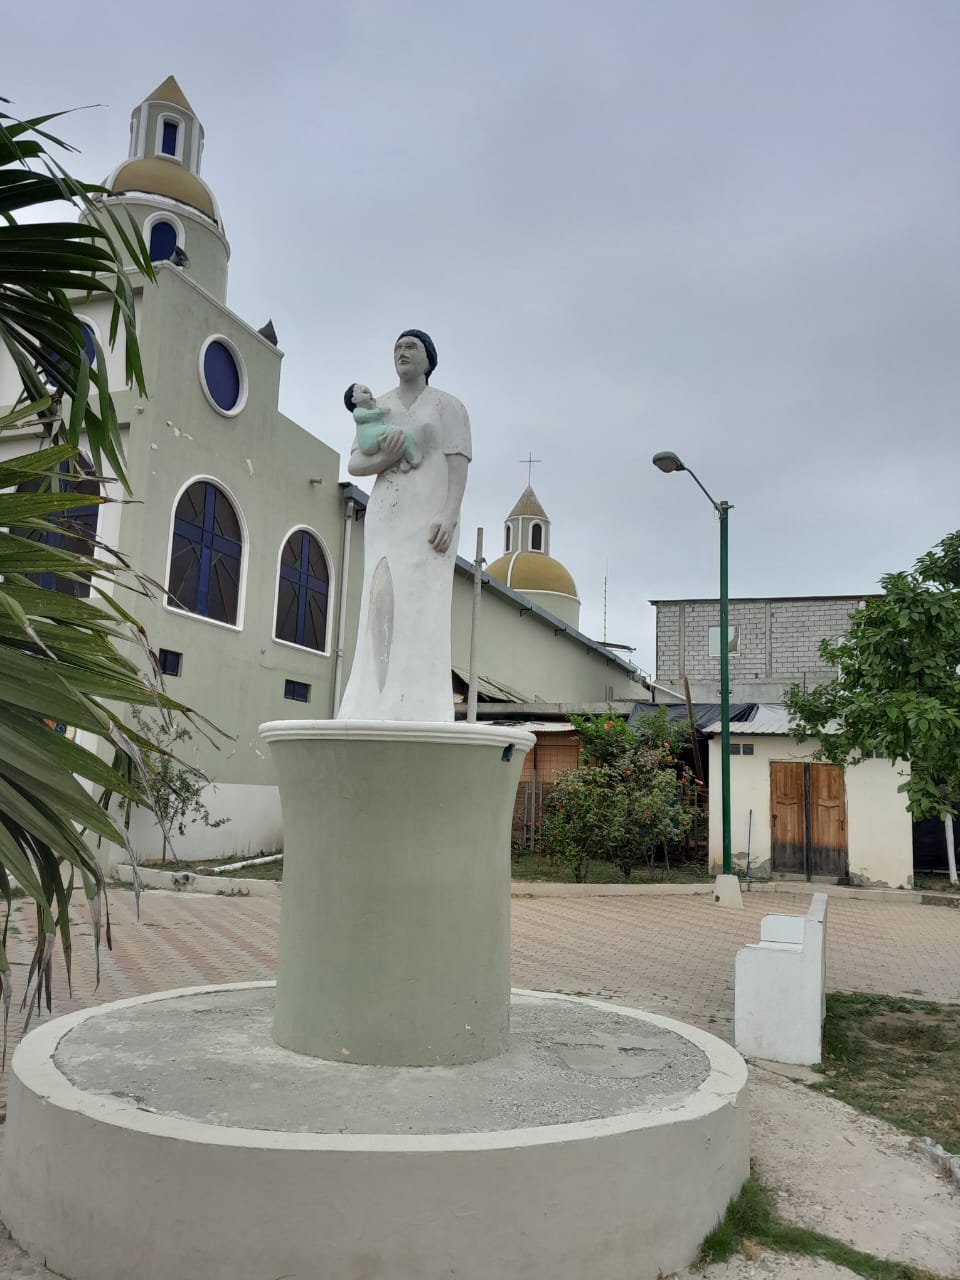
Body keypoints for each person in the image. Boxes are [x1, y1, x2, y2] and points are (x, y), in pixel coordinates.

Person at [337, 330, 471, 722]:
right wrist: (386, 458)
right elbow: (356, 463)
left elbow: (458, 461)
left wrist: (450, 513)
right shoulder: (376, 405)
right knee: (380, 597)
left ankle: (422, 704)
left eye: (411, 347)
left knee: (424, 601)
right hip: (386, 515)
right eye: (398, 347)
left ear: (429, 358)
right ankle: (369, 702)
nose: (402, 352)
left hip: (431, 517)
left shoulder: (448, 406)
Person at [343, 382, 420, 470]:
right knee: (398, 433)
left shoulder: (371, 407)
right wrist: (380, 411)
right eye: (364, 392)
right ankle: (414, 458)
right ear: (354, 399)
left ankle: (404, 461)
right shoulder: (358, 412)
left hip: (373, 435)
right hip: (370, 437)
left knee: (397, 440)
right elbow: (368, 416)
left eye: (370, 392)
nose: (370, 395)